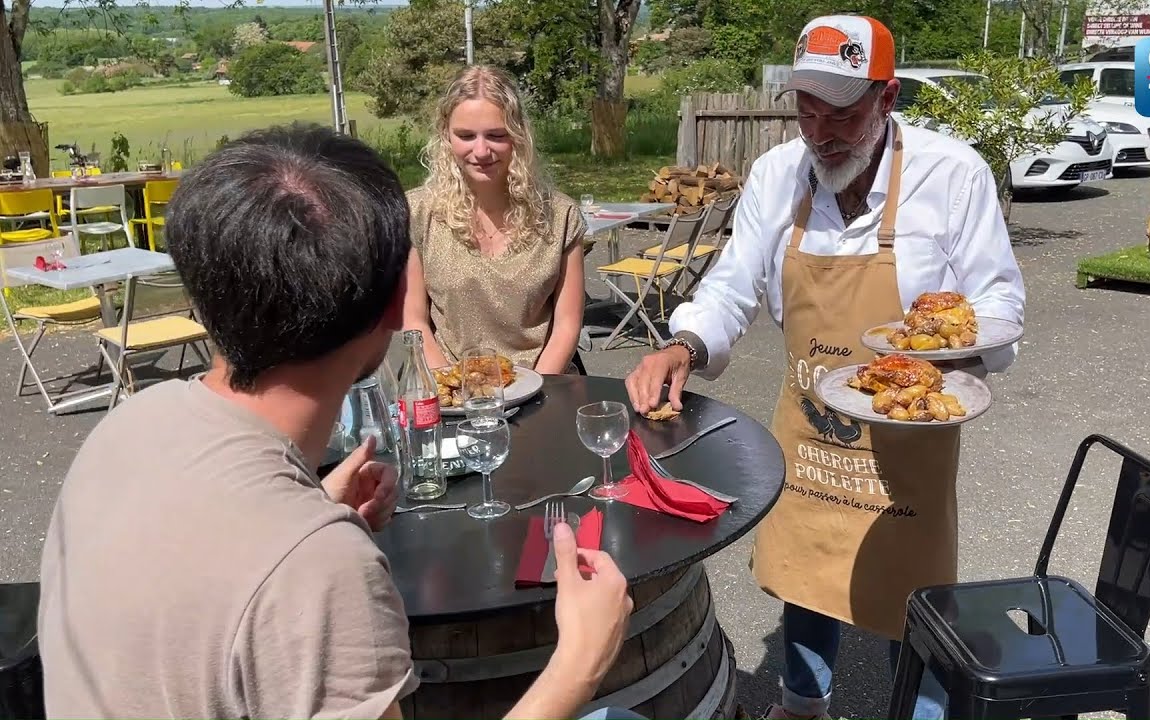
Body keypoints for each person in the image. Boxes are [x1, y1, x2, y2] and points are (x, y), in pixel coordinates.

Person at [37, 123, 635, 720]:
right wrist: (579, 661)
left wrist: (314, 505)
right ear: (396, 302)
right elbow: (287, 573)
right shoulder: (320, 572)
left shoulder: (125, 428)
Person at [624, 15, 1026, 720]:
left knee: (914, 590)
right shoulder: (776, 174)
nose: (822, 132)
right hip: (809, 421)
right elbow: (731, 283)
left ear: (887, 97)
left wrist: (938, 348)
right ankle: (802, 702)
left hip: (911, 437)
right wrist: (682, 345)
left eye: (842, 112)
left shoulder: (951, 172)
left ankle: (921, 711)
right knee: (806, 571)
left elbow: (1001, 300)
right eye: (807, 111)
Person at [402, 65, 587, 375]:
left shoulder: (560, 216)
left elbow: (567, 326)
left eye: (496, 135)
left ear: (518, 135)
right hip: (452, 389)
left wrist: (535, 392)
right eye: (466, 136)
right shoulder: (419, 213)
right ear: (445, 136)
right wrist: (455, 391)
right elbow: (415, 322)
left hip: (544, 387)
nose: (481, 151)